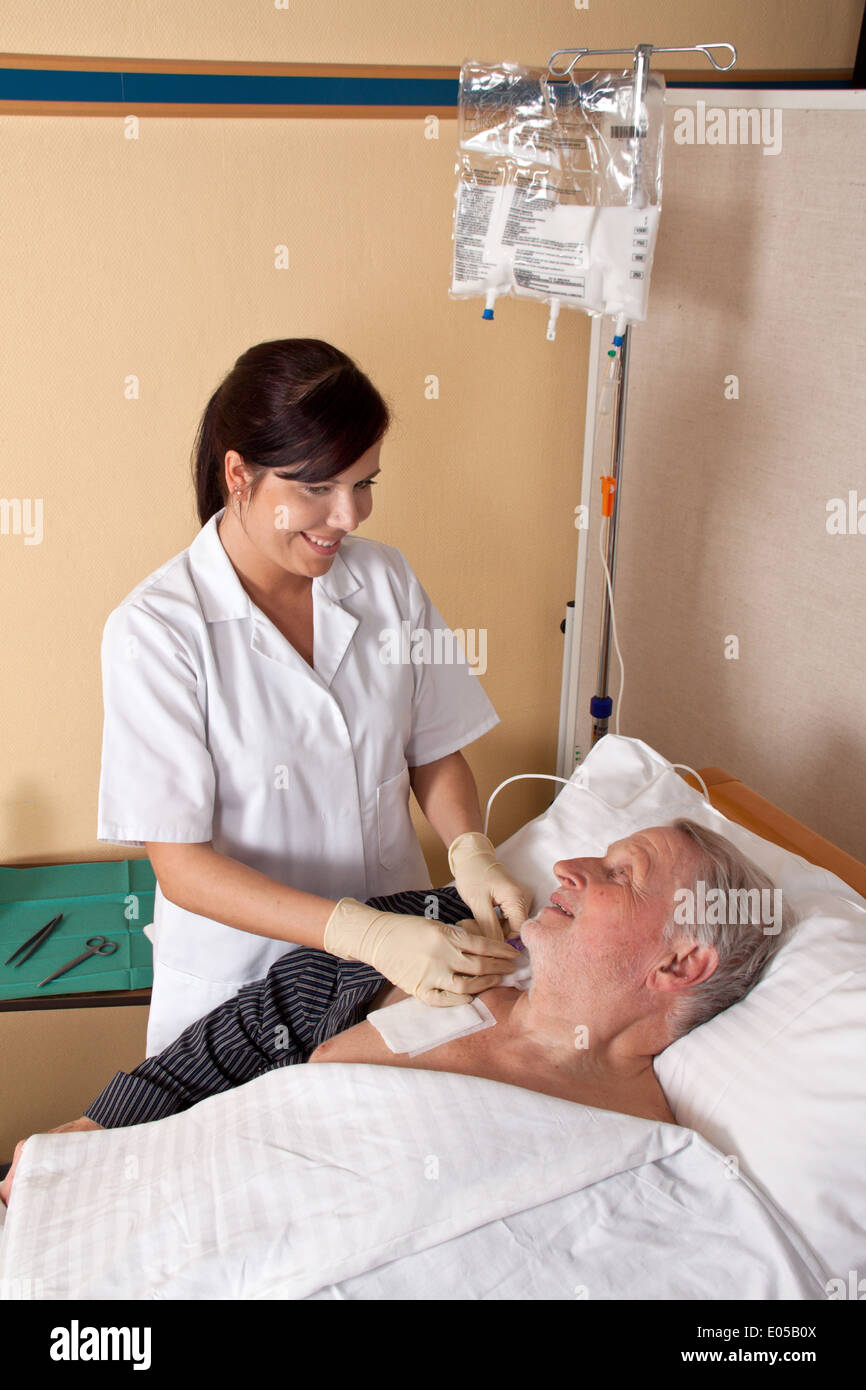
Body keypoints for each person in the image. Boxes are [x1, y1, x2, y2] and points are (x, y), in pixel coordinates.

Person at [96, 338, 529, 1057]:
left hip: (396, 976)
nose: (350, 516)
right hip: (240, 986)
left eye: (365, 484)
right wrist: (360, 932)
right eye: (316, 490)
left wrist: (469, 848)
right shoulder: (157, 630)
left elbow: (434, 750)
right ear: (239, 473)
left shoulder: (386, 581)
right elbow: (182, 866)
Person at [0, 818, 794, 1206]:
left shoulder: (644, 1155)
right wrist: (95, 1130)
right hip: (142, 1187)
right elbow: (246, 1031)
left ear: (681, 962)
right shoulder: (432, 941)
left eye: (621, 872)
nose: (568, 864)